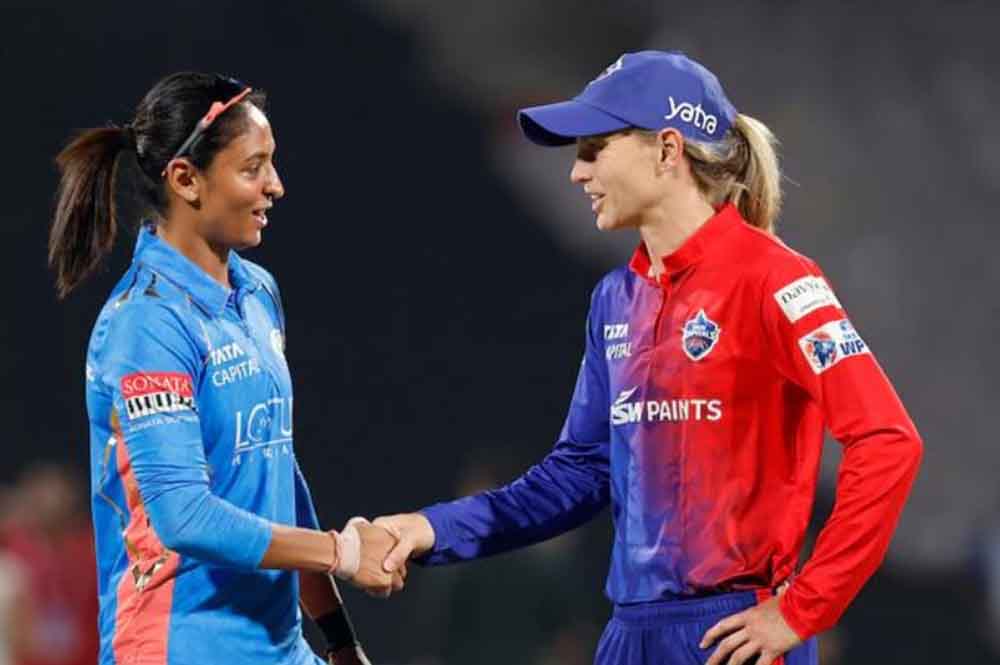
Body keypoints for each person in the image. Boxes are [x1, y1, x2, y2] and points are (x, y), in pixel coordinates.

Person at [365, 51, 923, 665]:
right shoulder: (615, 299)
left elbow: (888, 442)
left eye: (594, 149)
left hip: (730, 638)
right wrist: (431, 529)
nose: (576, 173)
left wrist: (803, 609)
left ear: (666, 149)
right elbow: (578, 473)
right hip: (629, 637)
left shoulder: (777, 280)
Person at [47, 72, 402, 665]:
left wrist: (340, 641)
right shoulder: (147, 324)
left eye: (272, 163)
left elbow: (276, 470)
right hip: (179, 646)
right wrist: (340, 551)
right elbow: (184, 516)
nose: (276, 185)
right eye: (252, 167)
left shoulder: (257, 291)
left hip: (278, 646)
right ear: (185, 179)